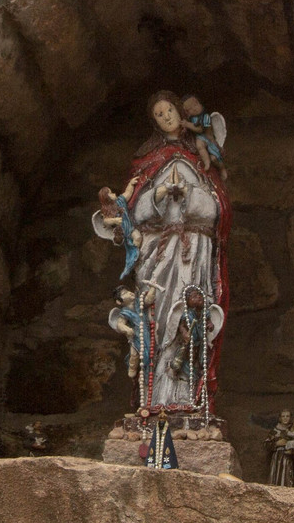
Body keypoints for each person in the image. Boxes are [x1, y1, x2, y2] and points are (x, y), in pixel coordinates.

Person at [118, 90, 232, 410]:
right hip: (157, 252)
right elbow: (135, 212)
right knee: (157, 320)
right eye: (159, 114)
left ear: (179, 110)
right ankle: (154, 400)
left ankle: (188, 397)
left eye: (169, 110)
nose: (166, 117)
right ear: (153, 122)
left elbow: (219, 211)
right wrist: (160, 196)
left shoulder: (199, 155)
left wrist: (192, 197)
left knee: (189, 319)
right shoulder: (148, 160)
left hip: (195, 250)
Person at [265, 409, 294, 486]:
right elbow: (266, 444)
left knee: (286, 477)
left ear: (290, 418)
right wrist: (276, 444)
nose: (285, 418)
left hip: (287, 457)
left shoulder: (293, 430)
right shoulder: (274, 430)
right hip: (276, 457)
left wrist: (293, 450)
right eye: (283, 416)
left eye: (287, 416)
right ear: (280, 418)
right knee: (274, 478)